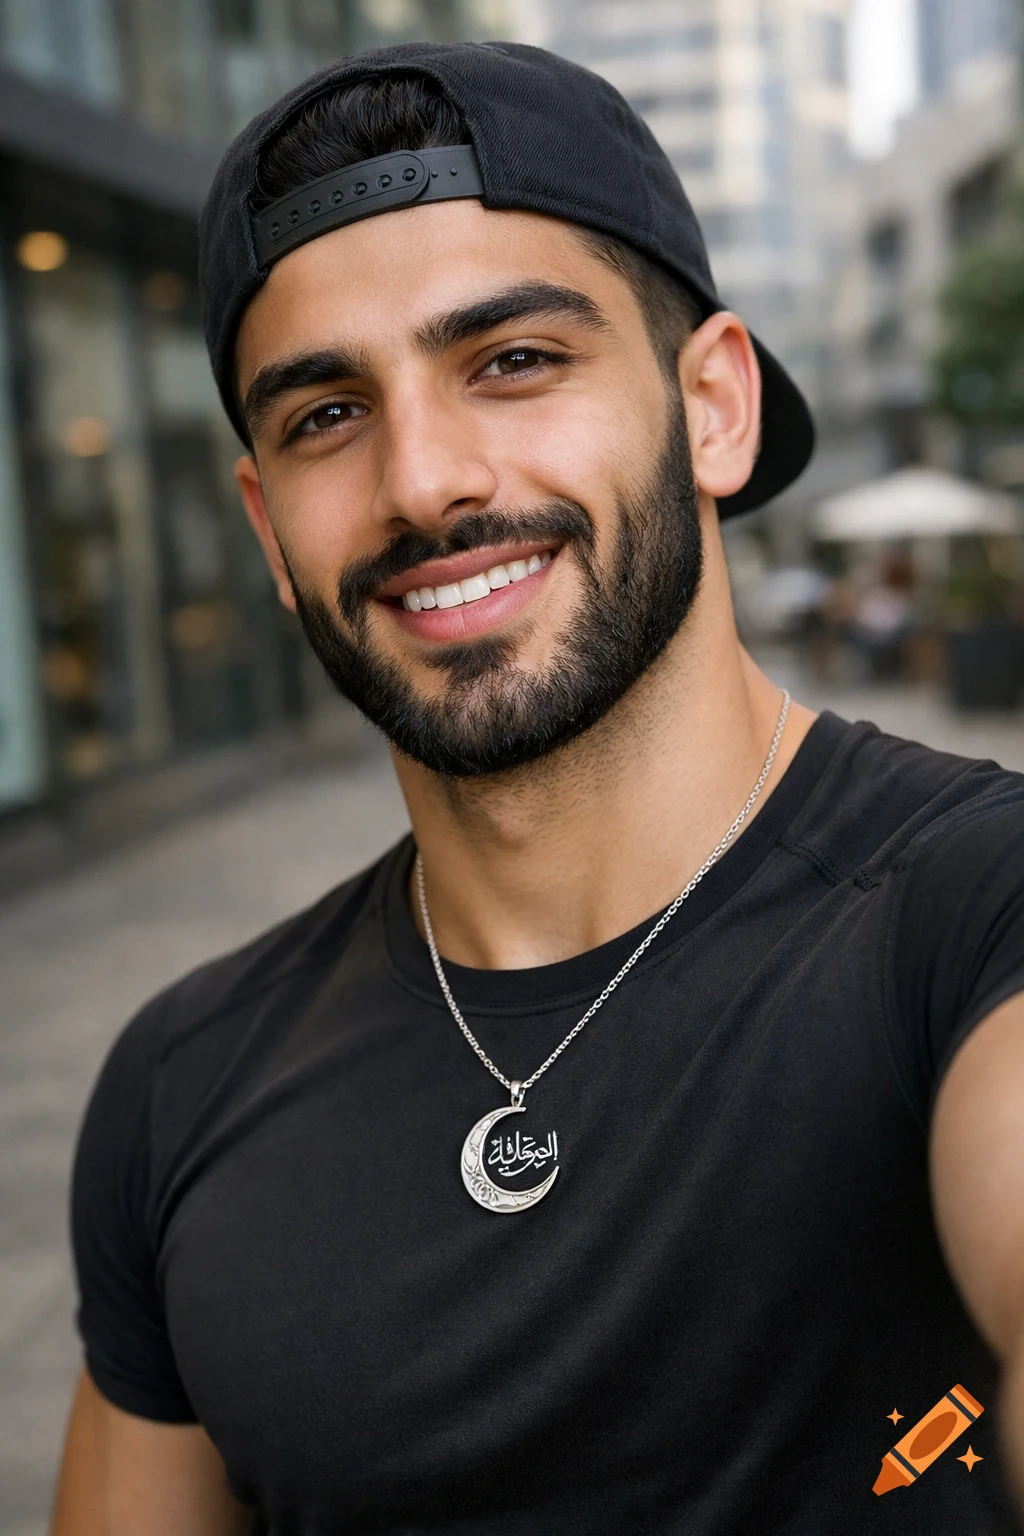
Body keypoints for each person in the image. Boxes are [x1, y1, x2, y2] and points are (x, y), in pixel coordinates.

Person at [51, 42, 1024, 1536]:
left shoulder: (977, 916)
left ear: (714, 406)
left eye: (511, 361)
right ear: (265, 525)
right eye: (324, 415)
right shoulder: (182, 1084)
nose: (423, 482)